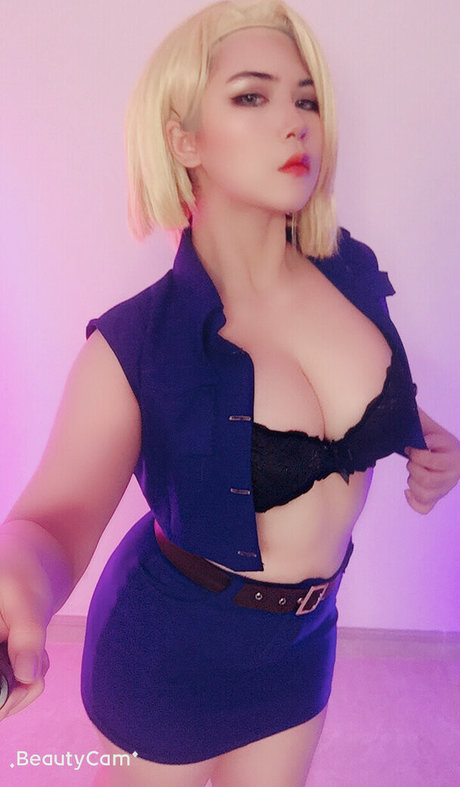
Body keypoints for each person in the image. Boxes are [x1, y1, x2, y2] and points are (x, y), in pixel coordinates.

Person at [1, 1, 459, 785]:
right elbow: (52, 521)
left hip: (305, 643)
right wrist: (18, 578)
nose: (295, 122)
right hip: (172, 656)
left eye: (307, 99)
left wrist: (421, 434)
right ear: (185, 140)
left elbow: (365, 396)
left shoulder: (350, 270)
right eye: (252, 96)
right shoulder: (133, 345)